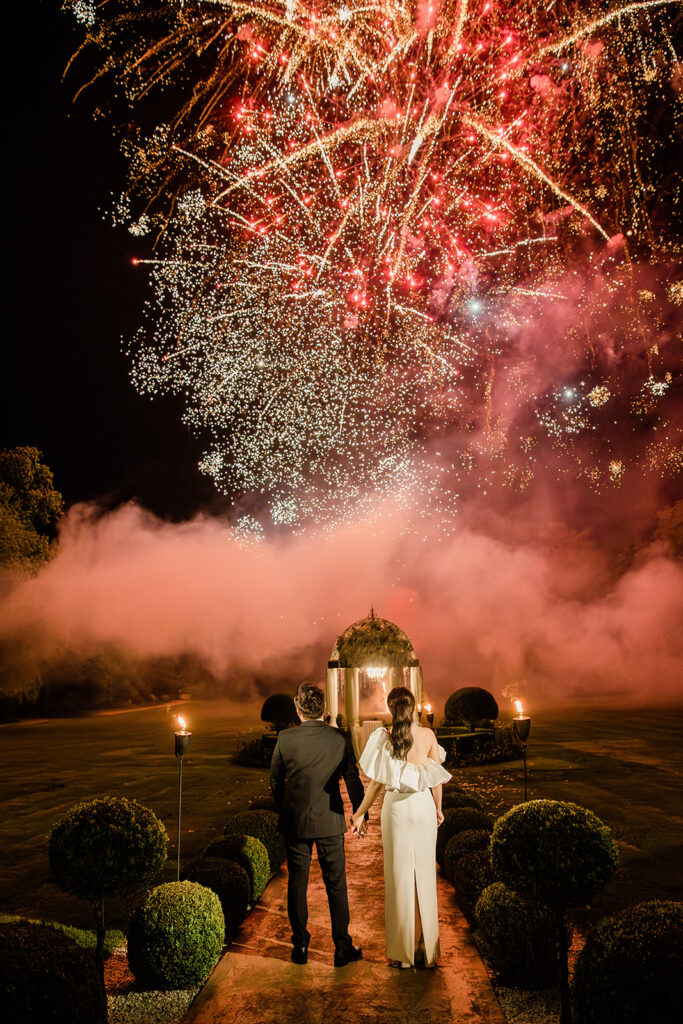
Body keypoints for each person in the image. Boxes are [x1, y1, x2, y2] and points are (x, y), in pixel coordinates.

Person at [350, 686, 451, 968]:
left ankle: (403, 955)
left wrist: (360, 812)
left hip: (396, 809)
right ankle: (427, 953)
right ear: (414, 706)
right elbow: (435, 779)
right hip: (423, 807)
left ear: (390, 708)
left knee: (400, 878)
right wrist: (438, 809)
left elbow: (376, 784)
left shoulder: (384, 737)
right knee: (425, 877)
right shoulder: (428, 735)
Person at [270, 681, 366, 967]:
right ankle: (342, 948)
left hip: (296, 820)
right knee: (336, 884)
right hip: (330, 820)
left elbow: (275, 781)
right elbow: (352, 778)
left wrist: (286, 806)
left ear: (298, 709)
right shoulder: (339, 738)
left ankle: (300, 946)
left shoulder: (285, 739)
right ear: (324, 708)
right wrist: (360, 812)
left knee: (297, 884)